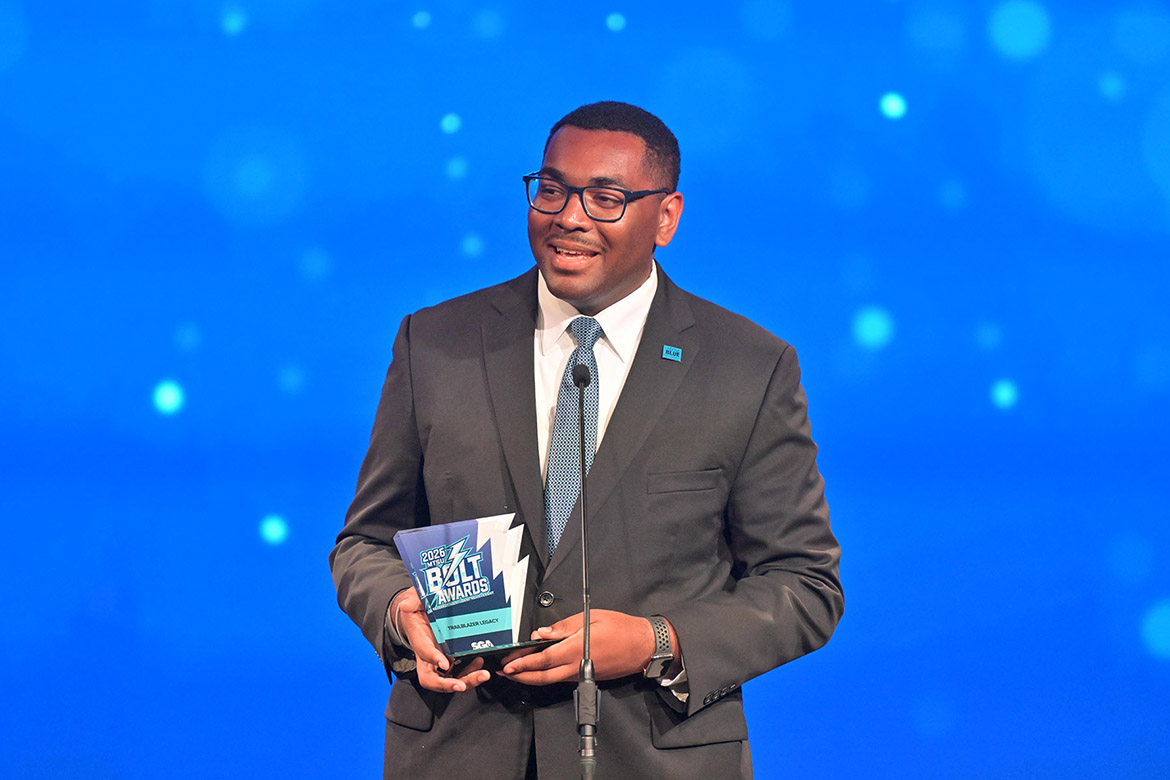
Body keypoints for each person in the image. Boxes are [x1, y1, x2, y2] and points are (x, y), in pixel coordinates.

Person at [330, 101, 843, 779]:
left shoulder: (747, 366)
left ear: (666, 217)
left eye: (606, 198)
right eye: (552, 189)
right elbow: (366, 543)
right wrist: (401, 614)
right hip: (457, 750)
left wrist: (656, 641)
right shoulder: (436, 343)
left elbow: (805, 583)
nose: (569, 216)